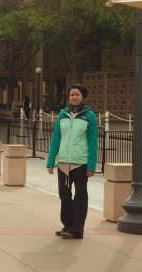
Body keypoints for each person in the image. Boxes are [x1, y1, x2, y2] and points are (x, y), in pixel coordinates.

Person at [46, 84, 98, 239]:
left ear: (83, 96)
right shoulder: (62, 115)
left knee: (80, 196)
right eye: (72, 95)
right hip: (63, 163)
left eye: (77, 94)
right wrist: (50, 162)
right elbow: (56, 139)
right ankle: (67, 225)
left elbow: (93, 141)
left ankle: (77, 229)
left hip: (80, 163)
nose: (74, 97)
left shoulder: (89, 116)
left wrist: (91, 165)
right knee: (64, 195)